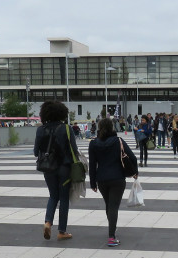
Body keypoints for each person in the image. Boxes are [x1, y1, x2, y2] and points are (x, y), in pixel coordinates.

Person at [88, 117, 137, 247]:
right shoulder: (118, 141)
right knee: (113, 206)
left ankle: (112, 229)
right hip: (118, 178)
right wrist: (135, 172)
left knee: (109, 205)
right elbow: (132, 157)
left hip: (102, 179)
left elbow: (92, 165)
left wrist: (92, 183)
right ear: (112, 127)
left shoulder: (93, 143)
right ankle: (111, 236)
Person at [33, 100, 76, 240]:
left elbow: (35, 152)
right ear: (62, 113)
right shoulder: (66, 128)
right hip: (64, 168)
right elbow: (73, 150)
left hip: (48, 168)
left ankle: (48, 222)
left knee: (53, 196)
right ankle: (62, 231)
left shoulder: (40, 130)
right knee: (64, 198)